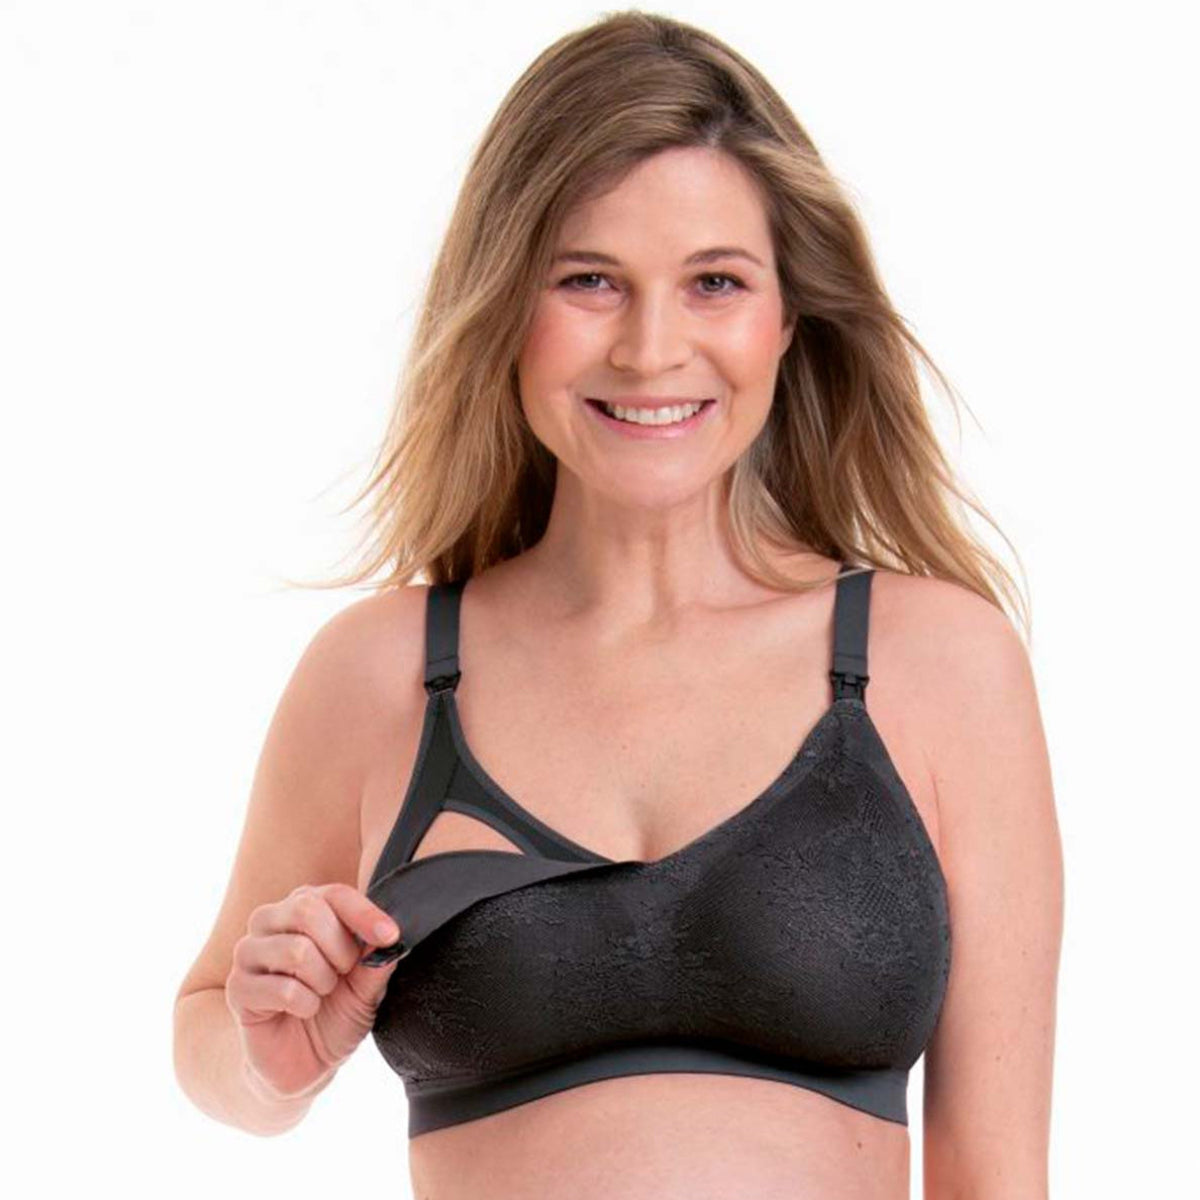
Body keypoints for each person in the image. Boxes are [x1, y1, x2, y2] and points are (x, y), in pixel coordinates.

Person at [173, 11, 1063, 1199]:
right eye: (589, 280)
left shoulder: (939, 664)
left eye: (715, 283)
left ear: (787, 317)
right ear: (505, 304)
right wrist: (267, 1062)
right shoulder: (382, 674)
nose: (651, 350)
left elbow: (995, 1179)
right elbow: (213, 1036)